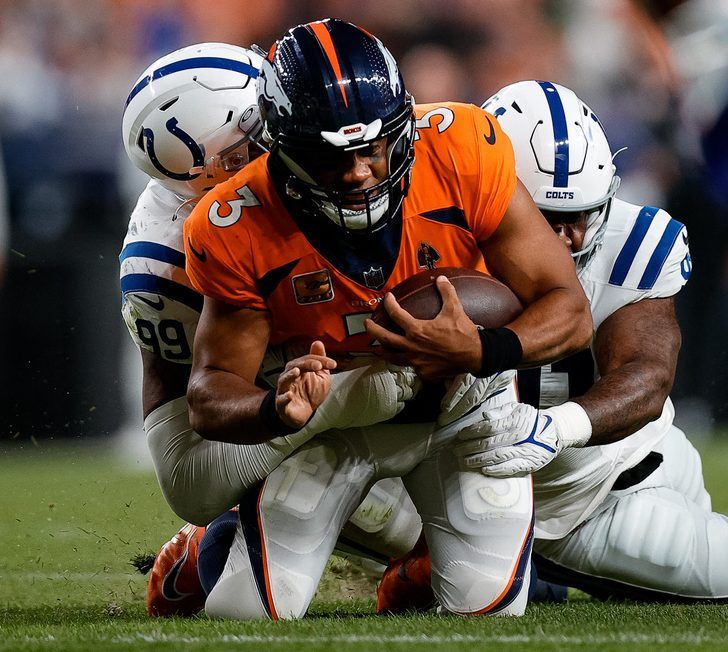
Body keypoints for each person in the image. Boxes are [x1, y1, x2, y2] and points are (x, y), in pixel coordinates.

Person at [183, 20, 591, 620]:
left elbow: (570, 309)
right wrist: (277, 408)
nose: (357, 173)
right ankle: (209, 547)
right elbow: (210, 391)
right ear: (283, 149)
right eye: (329, 158)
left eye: (371, 148)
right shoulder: (235, 221)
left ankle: (415, 573)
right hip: (338, 424)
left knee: (488, 611)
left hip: (464, 407)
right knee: (245, 613)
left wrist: (482, 351)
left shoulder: (461, 150)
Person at [378, 81, 728, 610]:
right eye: (548, 218)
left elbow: (646, 374)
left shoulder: (632, 243)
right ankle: (504, 566)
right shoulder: (427, 235)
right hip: (450, 484)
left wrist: (556, 427)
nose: (573, 238)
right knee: (318, 477)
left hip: (599, 495)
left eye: (585, 214)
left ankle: (537, 571)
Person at [119, 42, 424, 617]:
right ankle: (224, 541)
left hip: (361, 382)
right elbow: (187, 470)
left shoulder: (345, 160)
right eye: (265, 124)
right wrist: (311, 400)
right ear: (220, 169)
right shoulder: (168, 256)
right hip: (278, 402)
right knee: (407, 524)